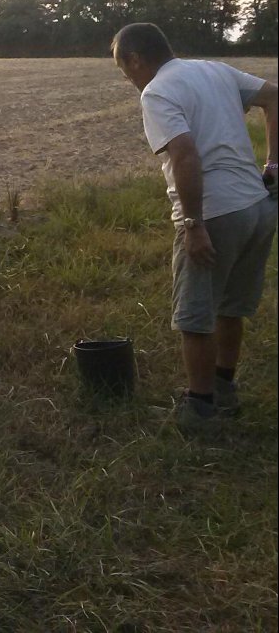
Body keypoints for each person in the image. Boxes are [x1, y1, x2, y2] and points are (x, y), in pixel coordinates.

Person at [111, 22, 278, 432]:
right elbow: (275, 96)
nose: (128, 79)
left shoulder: (158, 92)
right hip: (258, 207)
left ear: (136, 59)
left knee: (195, 314)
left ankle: (200, 409)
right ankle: (224, 388)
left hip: (217, 214)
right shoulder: (215, 70)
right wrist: (274, 164)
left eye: (124, 69)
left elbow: (185, 156)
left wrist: (192, 224)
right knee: (230, 307)